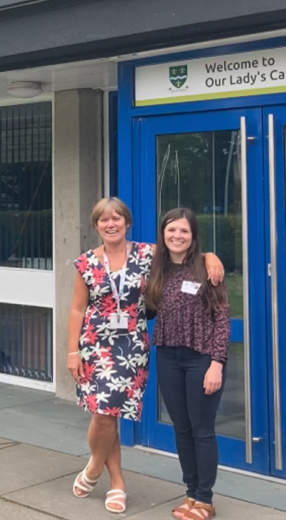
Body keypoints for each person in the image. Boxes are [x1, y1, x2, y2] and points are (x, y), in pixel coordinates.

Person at [67, 197, 223, 515]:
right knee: (104, 413)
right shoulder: (86, 262)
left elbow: (182, 249)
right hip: (96, 343)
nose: (111, 224)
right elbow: (76, 308)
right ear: (95, 225)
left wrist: (209, 256)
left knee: (109, 412)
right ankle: (113, 479)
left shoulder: (147, 254)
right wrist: (72, 351)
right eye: (103, 219)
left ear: (128, 222)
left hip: (132, 347)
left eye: (117, 218)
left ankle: (96, 470)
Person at [146, 208, 231, 520]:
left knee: (202, 430)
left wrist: (217, 364)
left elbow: (222, 320)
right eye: (171, 230)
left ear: (193, 236)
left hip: (201, 359)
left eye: (183, 231)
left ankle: (205, 499)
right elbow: (148, 310)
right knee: (181, 428)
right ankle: (190, 492)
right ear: (163, 234)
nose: (177, 236)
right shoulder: (157, 268)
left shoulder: (209, 270)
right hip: (168, 356)